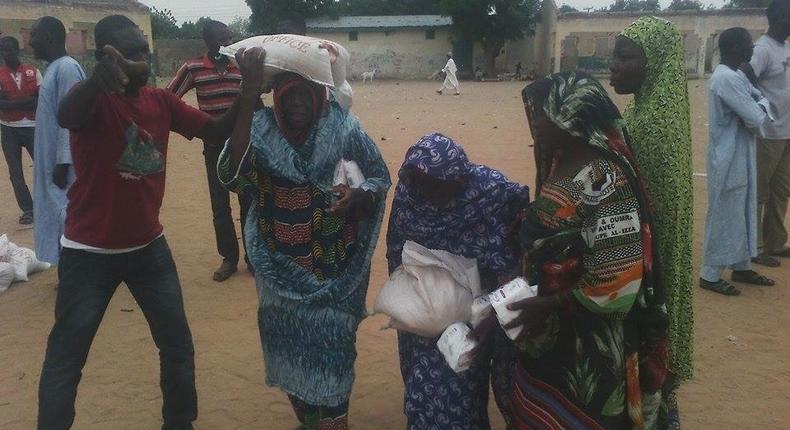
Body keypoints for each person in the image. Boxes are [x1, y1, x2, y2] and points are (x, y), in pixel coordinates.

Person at [37, 15, 243, 430]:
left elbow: (217, 131)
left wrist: (251, 87)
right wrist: (98, 81)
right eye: (131, 53)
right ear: (106, 56)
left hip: (149, 248)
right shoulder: (91, 97)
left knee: (177, 347)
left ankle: (179, 424)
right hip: (88, 253)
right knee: (66, 358)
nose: (142, 60)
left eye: (144, 52)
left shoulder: (159, 101)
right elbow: (66, 115)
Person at [219, 47, 390, 429]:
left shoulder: (343, 127)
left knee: (333, 352)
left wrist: (357, 196)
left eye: (304, 95)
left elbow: (379, 174)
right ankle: (310, 419)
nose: (296, 104)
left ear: (318, 97)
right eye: (287, 96)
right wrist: (248, 96)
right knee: (289, 350)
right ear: (275, 99)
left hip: (334, 270)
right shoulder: (259, 127)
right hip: (278, 268)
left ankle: (331, 422)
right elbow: (232, 174)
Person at [511, 71, 668, 429]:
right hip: (549, 333)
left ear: (571, 117)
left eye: (542, 112)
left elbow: (617, 283)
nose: (534, 121)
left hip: (589, 342)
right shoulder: (559, 162)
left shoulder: (607, 182)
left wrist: (548, 303)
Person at [386, 133, 529, 429]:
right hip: (427, 306)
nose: (431, 193)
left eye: (441, 185)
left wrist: (494, 311)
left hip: (486, 306)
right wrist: (405, 295)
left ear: (461, 179)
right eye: (423, 183)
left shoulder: (490, 193)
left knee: (493, 387)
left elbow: (523, 245)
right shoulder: (408, 195)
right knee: (430, 392)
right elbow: (396, 247)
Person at [610, 16, 693, 427]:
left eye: (625, 57)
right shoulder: (656, 107)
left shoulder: (649, 125)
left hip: (650, 260)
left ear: (655, 62)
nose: (613, 66)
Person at [168, 20, 250, 281]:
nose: (226, 44)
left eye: (229, 38)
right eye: (220, 39)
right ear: (207, 42)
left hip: (245, 148)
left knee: (249, 203)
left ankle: (253, 258)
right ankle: (229, 258)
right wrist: (197, 124)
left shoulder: (243, 67)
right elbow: (169, 100)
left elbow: (254, 103)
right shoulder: (192, 68)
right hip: (214, 149)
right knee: (220, 206)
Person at [701, 28, 775, 296]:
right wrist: (761, 105)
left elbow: (756, 106)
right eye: (747, 44)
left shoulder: (736, 76)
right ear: (733, 48)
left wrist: (758, 102)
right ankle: (709, 274)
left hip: (741, 154)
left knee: (743, 209)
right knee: (724, 214)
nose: (752, 48)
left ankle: (742, 266)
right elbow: (756, 117)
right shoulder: (725, 79)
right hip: (728, 156)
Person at [30, 16, 85, 264]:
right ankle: (67, 265)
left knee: (68, 213)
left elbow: (73, 118)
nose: (30, 43)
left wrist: (64, 161)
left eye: (34, 36)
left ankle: (76, 268)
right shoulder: (53, 69)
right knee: (56, 213)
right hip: (51, 160)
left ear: (48, 37)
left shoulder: (66, 68)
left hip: (64, 165)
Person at [743, 0, 790, 267]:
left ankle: (775, 242)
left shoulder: (785, 46)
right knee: (758, 193)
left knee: (781, 191)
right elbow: (745, 77)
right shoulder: (762, 49)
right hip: (767, 134)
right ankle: (755, 247)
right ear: (780, 17)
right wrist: (756, 112)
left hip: (786, 133)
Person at [0, 36, 41, 225]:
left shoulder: (34, 72)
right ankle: (28, 209)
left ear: (17, 51)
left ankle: (45, 204)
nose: (6, 54)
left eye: (9, 50)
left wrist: (11, 104)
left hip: (33, 127)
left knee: (42, 168)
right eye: (3, 50)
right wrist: (27, 102)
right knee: (15, 172)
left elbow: (39, 100)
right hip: (9, 129)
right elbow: (2, 105)